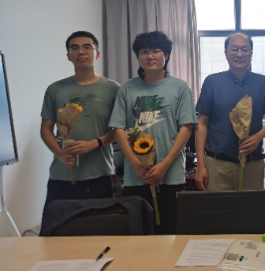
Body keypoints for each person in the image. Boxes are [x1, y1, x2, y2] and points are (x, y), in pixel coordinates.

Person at [109, 31, 196, 234]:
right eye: (144, 52)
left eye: (156, 51)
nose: (150, 56)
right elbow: (118, 128)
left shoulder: (180, 87)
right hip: (136, 174)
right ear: (138, 56)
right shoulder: (127, 88)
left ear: (166, 55)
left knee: (171, 230)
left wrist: (165, 164)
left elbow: (186, 128)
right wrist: (134, 163)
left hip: (171, 173)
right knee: (140, 231)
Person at [40, 31, 120, 208]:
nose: (81, 52)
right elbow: (45, 129)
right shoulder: (55, 89)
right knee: (58, 224)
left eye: (87, 47)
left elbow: (121, 130)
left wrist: (94, 143)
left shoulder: (113, 89)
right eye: (74, 48)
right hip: (62, 175)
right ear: (69, 56)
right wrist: (60, 154)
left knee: (99, 224)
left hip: (100, 173)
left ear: (97, 54)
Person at [195, 33, 265, 191]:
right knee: (217, 207)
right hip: (217, 165)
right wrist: (201, 165)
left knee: (250, 207)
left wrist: (258, 137)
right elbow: (202, 124)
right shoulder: (212, 82)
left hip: (252, 164)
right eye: (234, 49)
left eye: (244, 50)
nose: (239, 54)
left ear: (251, 53)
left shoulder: (263, 83)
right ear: (226, 53)